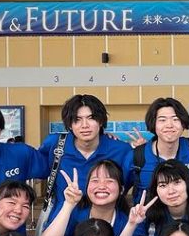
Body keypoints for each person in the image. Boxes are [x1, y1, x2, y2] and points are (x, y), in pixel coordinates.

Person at [39, 94, 135, 223]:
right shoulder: (55, 144)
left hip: (106, 227)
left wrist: (143, 150)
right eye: (77, 119)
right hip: (63, 225)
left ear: (101, 121)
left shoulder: (121, 150)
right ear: (70, 125)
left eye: (91, 118)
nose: (85, 125)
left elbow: (126, 186)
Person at [37, 159, 131, 236]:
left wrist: (131, 225)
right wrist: (68, 205)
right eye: (95, 180)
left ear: (122, 189)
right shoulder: (73, 209)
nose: (101, 186)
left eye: (109, 181)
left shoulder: (127, 221)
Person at [130, 97, 189, 199]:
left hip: (186, 214)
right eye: (162, 120)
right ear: (154, 124)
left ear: (183, 124)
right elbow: (117, 186)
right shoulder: (137, 156)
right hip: (147, 214)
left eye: (175, 119)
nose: (169, 125)